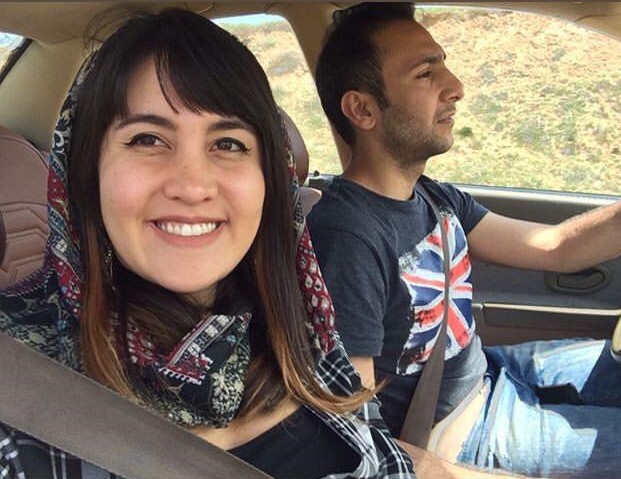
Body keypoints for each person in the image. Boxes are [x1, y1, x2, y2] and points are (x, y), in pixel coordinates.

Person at [0, 8, 417, 479]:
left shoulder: (303, 329)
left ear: (271, 178)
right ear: (86, 175)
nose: (193, 186)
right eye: (147, 139)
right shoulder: (15, 392)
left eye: (229, 144)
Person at [307, 3, 621, 478]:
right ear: (363, 109)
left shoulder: (435, 198)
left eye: (444, 65)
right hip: (459, 430)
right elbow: (355, 431)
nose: (455, 87)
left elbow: (556, 246)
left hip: (491, 372)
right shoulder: (347, 237)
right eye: (425, 73)